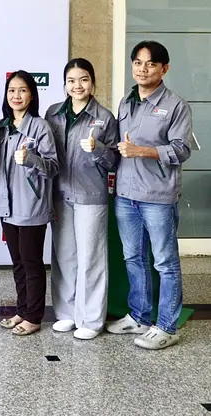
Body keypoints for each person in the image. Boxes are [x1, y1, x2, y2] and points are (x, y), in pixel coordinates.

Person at [106, 41, 192, 350]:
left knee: (165, 263)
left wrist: (141, 151)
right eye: (138, 63)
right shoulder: (126, 102)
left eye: (151, 64)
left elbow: (182, 149)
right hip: (126, 195)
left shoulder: (176, 105)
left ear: (164, 68)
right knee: (133, 258)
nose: (143, 69)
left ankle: (167, 326)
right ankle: (139, 316)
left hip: (158, 196)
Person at [45, 58, 118, 340]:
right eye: (72, 81)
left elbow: (114, 161)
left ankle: (91, 319)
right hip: (60, 193)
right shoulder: (53, 114)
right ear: (65, 84)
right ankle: (66, 313)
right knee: (64, 256)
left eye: (84, 79)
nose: (78, 86)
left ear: (93, 82)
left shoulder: (104, 117)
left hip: (91, 195)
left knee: (91, 258)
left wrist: (97, 148)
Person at [0, 71, 58, 336]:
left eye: (23, 90)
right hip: (7, 206)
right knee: (17, 262)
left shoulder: (40, 127)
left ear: (32, 95)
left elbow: (53, 167)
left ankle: (34, 316)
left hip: (31, 207)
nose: (16, 95)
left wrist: (31, 160)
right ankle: (22, 309)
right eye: (12, 90)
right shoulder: (1, 127)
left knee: (31, 262)